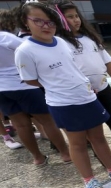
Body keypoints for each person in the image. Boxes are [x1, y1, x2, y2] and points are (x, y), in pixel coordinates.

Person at [15, 2, 111, 188]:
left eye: (50, 21)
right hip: (64, 103)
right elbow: (30, 79)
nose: (46, 26)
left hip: (87, 97)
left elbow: (72, 68)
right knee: (77, 143)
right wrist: (59, 87)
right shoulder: (25, 50)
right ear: (25, 22)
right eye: (38, 21)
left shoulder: (61, 42)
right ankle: (89, 180)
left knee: (98, 137)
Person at [56, 0, 111, 164]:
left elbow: (107, 62)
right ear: (60, 19)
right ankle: (104, 158)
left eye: (76, 16)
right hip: (84, 93)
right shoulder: (61, 44)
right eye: (70, 17)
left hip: (103, 87)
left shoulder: (90, 38)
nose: (76, 20)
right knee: (94, 128)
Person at [0, 9, 70, 164]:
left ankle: (38, 157)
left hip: (2, 89)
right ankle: (65, 153)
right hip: (23, 85)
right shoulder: (6, 38)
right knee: (47, 121)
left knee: (20, 125)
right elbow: (30, 49)